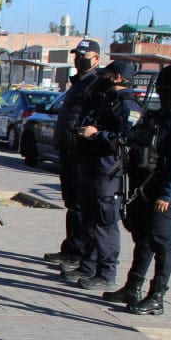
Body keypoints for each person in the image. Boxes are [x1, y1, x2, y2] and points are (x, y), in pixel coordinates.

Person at [104, 63, 171, 315]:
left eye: (164, 87)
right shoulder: (160, 115)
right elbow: (136, 138)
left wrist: (167, 194)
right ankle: (133, 287)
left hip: (161, 190)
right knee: (143, 237)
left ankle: (157, 296)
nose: (159, 91)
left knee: (161, 242)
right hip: (142, 185)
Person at [62, 60, 142, 290]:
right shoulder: (106, 99)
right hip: (92, 166)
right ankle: (89, 266)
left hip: (108, 172)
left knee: (104, 222)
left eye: (106, 74)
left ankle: (106, 272)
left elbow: (127, 139)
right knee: (89, 219)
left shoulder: (128, 105)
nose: (101, 77)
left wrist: (97, 135)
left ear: (117, 77)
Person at [44, 38, 102, 267]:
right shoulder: (79, 83)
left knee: (80, 205)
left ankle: (79, 252)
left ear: (96, 59)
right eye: (77, 55)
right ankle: (71, 247)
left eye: (84, 56)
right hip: (69, 151)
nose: (78, 59)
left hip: (82, 153)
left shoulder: (95, 84)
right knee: (72, 204)